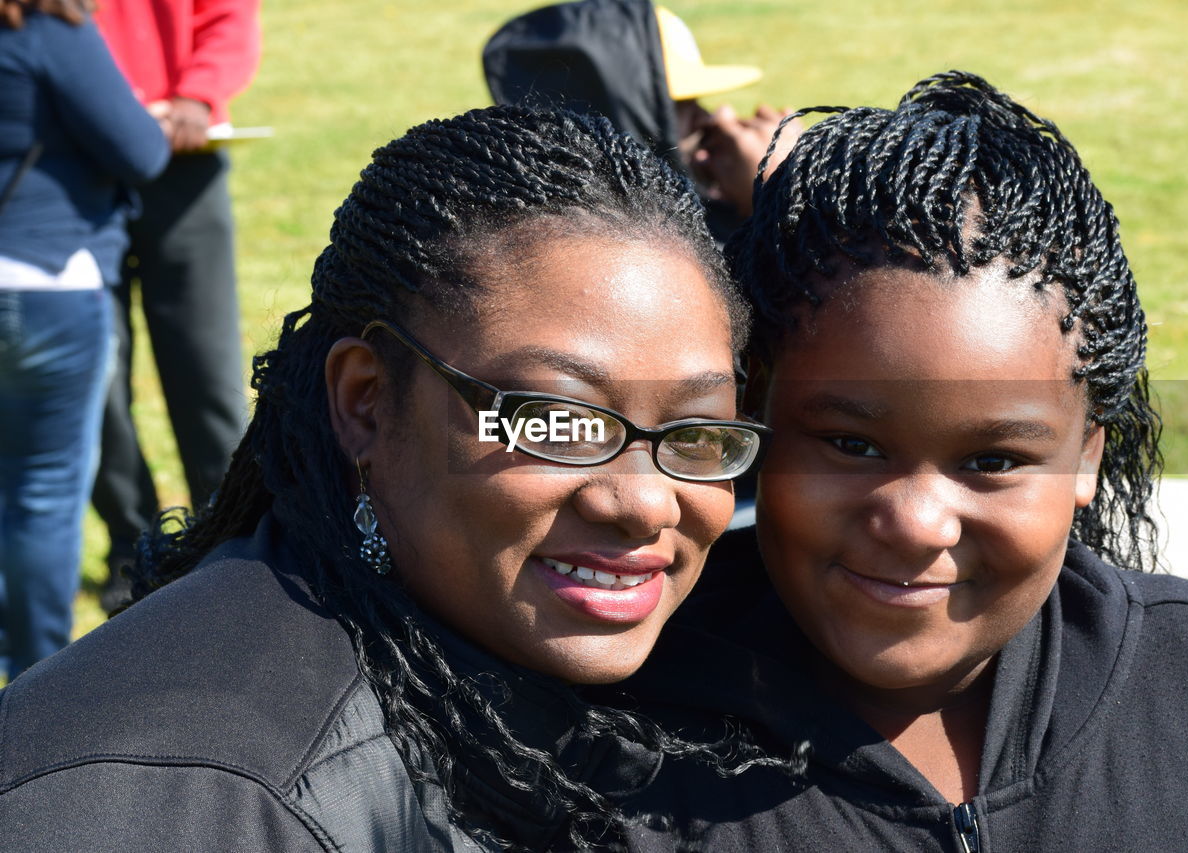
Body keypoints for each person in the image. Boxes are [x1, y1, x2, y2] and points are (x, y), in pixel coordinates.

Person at [0, 105, 778, 849]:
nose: (643, 501)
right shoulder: (187, 804)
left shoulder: (657, 700)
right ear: (367, 402)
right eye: (556, 420)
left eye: (696, 431)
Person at [609, 72, 1188, 850]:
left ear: (1086, 454)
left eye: (993, 459)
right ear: (757, 409)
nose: (915, 523)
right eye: (852, 445)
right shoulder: (603, 745)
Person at [0, 0, 169, 682]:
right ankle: (33, 684)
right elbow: (141, 149)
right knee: (42, 491)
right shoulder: (47, 31)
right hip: (48, 283)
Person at [92, 0, 261, 612]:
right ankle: (130, 545)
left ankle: (231, 540)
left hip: (183, 159)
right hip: (74, 171)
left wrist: (197, 96)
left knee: (205, 370)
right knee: (97, 383)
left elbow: (229, 17)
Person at [483, 0, 800, 245]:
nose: (714, 116)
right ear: (631, 116)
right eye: (683, 104)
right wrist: (778, 196)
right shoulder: (641, 248)